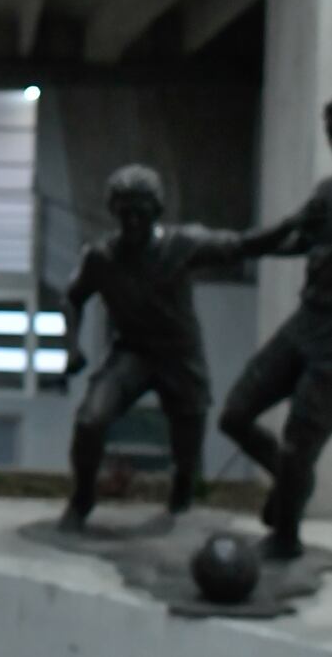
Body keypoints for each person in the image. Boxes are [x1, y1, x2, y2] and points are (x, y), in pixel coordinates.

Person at [58, 163, 302, 533]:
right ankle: (82, 499)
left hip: (179, 357)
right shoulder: (101, 258)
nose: (133, 220)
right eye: (125, 211)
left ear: (156, 210)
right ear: (113, 211)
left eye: (141, 211)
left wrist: (293, 225)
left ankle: (181, 498)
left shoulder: (182, 244)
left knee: (187, 452)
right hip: (131, 354)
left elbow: (243, 245)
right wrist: (71, 346)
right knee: (91, 420)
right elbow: (72, 298)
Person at [217, 100, 332, 560]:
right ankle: (288, 489)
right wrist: (234, 247)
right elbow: (292, 235)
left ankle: (286, 536)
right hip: (306, 322)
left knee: (297, 447)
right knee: (235, 415)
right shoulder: (328, 193)